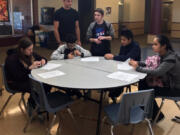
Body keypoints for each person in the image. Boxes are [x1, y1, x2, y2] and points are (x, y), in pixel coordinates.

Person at [129, 35, 180, 123]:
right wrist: (138, 63)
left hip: (175, 89)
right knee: (143, 82)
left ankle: (156, 115)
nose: (152, 46)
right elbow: (150, 64)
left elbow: (157, 72)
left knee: (147, 92)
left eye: (155, 44)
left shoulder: (170, 59)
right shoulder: (164, 54)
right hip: (169, 83)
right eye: (153, 44)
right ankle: (145, 107)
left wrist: (137, 68)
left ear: (163, 46)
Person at [4, 37, 50, 116]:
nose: (31, 51)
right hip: (15, 82)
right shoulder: (12, 59)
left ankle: (38, 102)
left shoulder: (29, 53)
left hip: (27, 78)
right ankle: (33, 104)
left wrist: (43, 60)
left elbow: (42, 58)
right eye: (29, 49)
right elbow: (17, 77)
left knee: (47, 83)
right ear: (22, 49)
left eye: (32, 49)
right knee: (40, 86)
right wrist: (29, 68)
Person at [104, 29, 141, 102]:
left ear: (130, 39)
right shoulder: (123, 46)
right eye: (121, 39)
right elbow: (121, 57)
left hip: (132, 70)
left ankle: (114, 93)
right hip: (122, 67)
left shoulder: (135, 47)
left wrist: (113, 57)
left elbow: (127, 58)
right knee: (109, 72)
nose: (122, 42)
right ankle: (108, 88)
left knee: (120, 78)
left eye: (124, 40)